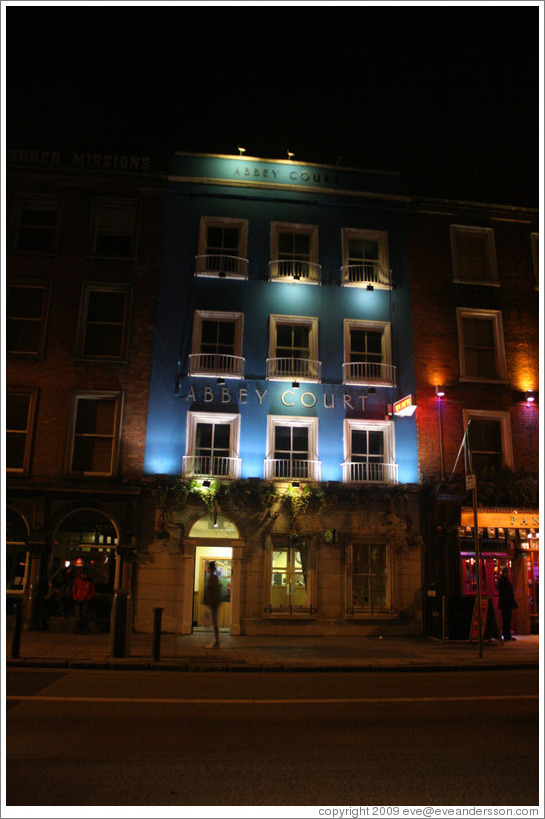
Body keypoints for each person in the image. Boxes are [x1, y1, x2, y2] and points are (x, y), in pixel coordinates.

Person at [203, 561, 221, 648]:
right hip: (214, 603)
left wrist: (208, 601)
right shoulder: (214, 578)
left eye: (207, 567)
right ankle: (215, 641)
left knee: (213, 622)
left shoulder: (212, 578)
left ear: (209, 568)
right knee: (213, 622)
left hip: (213, 603)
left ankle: (215, 642)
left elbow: (211, 591)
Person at [72, 568, 95, 633]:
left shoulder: (89, 582)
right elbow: (74, 590)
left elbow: (92, 591)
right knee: (78, 615)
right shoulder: (77, 581)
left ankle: (84, 629)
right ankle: (78, 629)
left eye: (84, 574)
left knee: (84, 614)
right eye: (82, 574)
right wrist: (75, 597)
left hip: (85, 600)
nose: (83, 576)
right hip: (78, 599)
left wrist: (88, 597)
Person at [498, 566, 518, 641]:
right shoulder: (505, 581)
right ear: (505, 573)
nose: (509, 574)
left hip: (504, 603)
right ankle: (507, 635)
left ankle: (506, 635)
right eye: (508, 572)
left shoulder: (502, 580)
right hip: (506, 604)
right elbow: (507, 593)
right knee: (507, 619)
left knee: (506, 619)